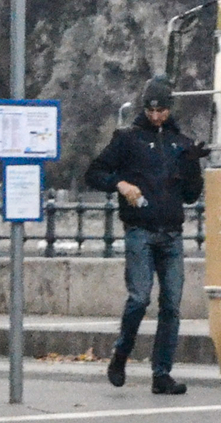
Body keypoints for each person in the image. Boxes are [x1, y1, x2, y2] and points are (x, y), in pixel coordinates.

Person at [85, 77, 205, 395]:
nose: (156, 116)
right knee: (139, 298)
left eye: (162, 110)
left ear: (169, 108)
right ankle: (121, 354)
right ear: (144, 108)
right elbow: (94, 172)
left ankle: (161, 373)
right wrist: (120, 185)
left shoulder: (181, 142)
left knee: (171, 306)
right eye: (151, 110)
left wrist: (193, 166)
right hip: (139, 230)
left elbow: (191, 195)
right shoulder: (127, 139)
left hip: (171, 234)